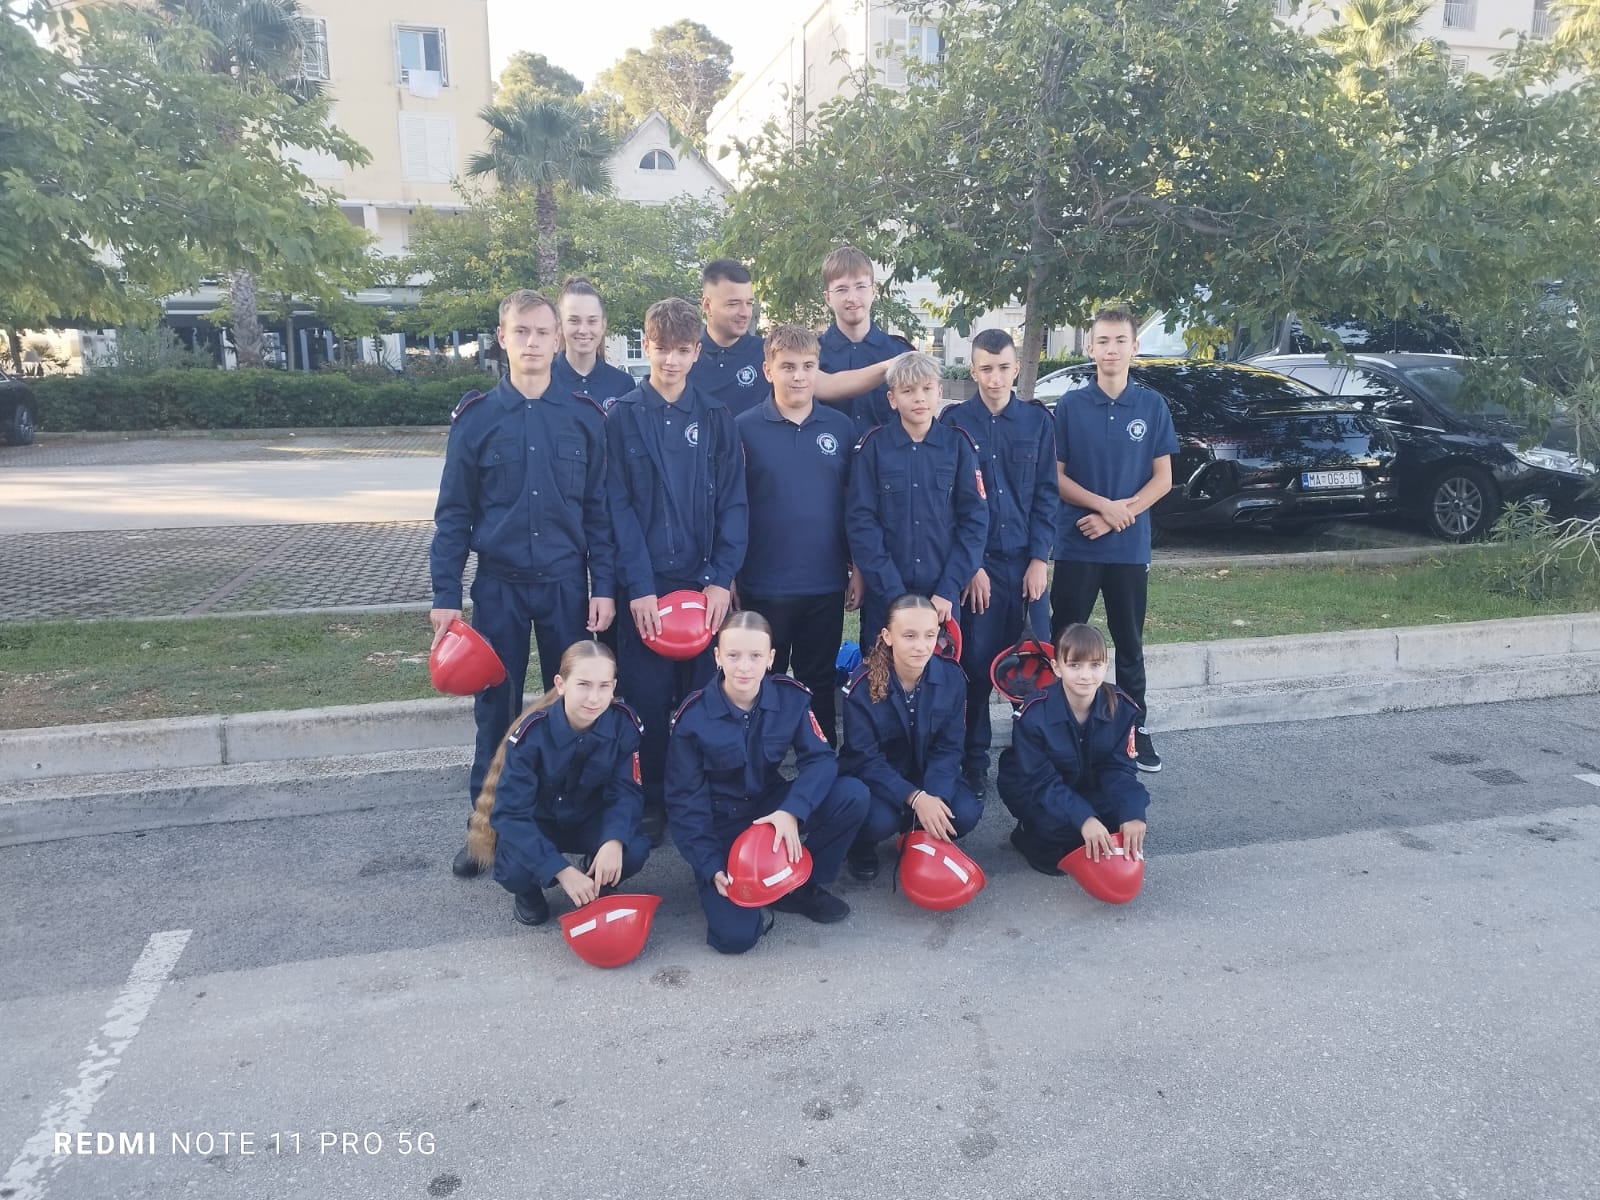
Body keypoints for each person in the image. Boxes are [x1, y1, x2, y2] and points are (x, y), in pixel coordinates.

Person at [430, 289, 616, 878]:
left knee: (576, 706)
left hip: (566, 585)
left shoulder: (585, 417)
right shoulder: (477, 419)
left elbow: (600, 513)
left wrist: (603, 586)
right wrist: (444, 595)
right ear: (502, 338)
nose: (532, 343)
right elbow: (453, 515)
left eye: (542, 332)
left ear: (558, 339)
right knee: (497, 712)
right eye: (521, 332)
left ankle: (570, 826)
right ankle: (485, 836)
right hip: (499, 588)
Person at [607, 296, 748, 844]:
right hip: (648, 591)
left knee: (705, 700)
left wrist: (720, 577)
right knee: (646, 698)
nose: (671, 360)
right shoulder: (621, 417)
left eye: (683, 350)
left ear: (696, 352)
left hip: (703, 586)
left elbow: (734, 503)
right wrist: (638, 587)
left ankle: (703, 795)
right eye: (662, 349)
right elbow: (616, 508)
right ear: (646, 346)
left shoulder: (715, 418)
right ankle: (652, 798)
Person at [666, 612, 869, 954]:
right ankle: (743, 885)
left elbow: (820, 760)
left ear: (771, 658)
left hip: (771, 808)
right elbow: (684, 803)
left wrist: (792, 810)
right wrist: (710, 864)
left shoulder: (790, 698)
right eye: (733, 655)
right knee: (735, 938)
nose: (744, 667)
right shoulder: (693, 718)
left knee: (852, 796)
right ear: (717, 656)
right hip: (722, 823)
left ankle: (800, 885)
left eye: (756, 656)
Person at [1051, 304, 1176, 773]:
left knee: (1129, 642)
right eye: (1102, 340)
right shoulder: (1070, 406)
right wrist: (1103, 506)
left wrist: (1116, 516)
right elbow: (1056, 477)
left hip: (1127, 547)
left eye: (1120, 340)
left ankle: (1134, 729)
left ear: (1134, 347)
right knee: (1065, 638)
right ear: (1090, 347)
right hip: (1077, 543)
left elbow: (1162, 479)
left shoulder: (1151, 406)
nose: (1111, 349)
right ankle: (1059, 723)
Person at [940, 329, 1057, 794]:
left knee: (1035, 668)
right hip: (980, 568)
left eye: (1004, 368)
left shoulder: (1037, 421)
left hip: (1026, 565)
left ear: (1016, 368)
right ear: (973, 370)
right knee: (975, 670)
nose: (995, 378)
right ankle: (974, 763)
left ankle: (1034, 762)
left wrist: (1040, 559)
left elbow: (1046, 495)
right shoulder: (954, 424)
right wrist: (970, 566)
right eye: (986, 369)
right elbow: (950, 502)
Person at [735, 324, 861, 744]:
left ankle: (819, 762)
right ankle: (761, 765)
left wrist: (858, 568)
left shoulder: (840, 428)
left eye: (808, 366)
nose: (799, 376)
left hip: (824, 582)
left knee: (818, 680)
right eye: (788, 366)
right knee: (761, 681)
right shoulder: (742, 429)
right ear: (768, 370)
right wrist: (729, 575)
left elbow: (855, 506)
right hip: (762, 584)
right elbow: (729, 508)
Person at [464, 641, 650, 926]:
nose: (594, 698)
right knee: (512, 869)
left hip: (588, 820)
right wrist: (560, 869)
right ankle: (529, 894)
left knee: (632, 849)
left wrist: (613, 840)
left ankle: (596, 875)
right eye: (583, 685)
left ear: (614, 687)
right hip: (540, 823)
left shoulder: (624, 725)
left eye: (604, 686)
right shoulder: (532, 734)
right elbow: (510, 815)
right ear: (561, 684)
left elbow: (626, 792)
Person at [846, 350, 988, 652]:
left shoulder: (958, 446)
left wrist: (949, 588)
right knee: (881, 675)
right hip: (886, 597)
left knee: (940, 674)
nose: (919, 398)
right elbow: (861, 523)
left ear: (939, 391)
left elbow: (975, 522)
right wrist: (895, 596)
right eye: (908, 390)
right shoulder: (873, 448)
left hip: (941, 597)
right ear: (892, 398)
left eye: (926, 388)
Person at [838, 594, 982, 882]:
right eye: (909, 636)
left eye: (930, 635)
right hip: (878, 782)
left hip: (926, 775)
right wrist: (914, 797)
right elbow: (865, 759)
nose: (921, 645)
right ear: (888, 636)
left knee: (964, 812)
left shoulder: (952, 678)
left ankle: (918, 836)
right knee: (878, 820)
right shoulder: (862, 686)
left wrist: (935, 797)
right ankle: (859, 847)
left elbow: (949, 747)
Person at [995, 623, 1149, 873]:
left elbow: (1119, 769)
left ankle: (1087, 827)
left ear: (1106, 666)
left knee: (1120, 819)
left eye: (1095, 665)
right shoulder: (1034, 713)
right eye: (1074, 665)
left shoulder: (1120, 707)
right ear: (1057, 667)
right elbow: (1041, 781)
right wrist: (1084, 818)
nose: (1085, 675)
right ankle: (1026, 833)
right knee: (1056, 835)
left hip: (1083, 782)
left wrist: (1132, 812)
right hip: (1035, 788)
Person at [690, 258, 897, 418]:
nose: (745, 313)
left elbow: (829, 385)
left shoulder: (768, 352)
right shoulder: (685, 356)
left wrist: (890, 365)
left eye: (749, 303)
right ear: (707, 305)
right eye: (733, 304)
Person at [816, 246, 915, 438]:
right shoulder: (812, 356)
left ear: (874, 290)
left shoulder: (900, 352)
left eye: (860, 286)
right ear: (827, 297)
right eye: (841, 289)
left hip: (886, 456)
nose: (852, 298)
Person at [549, 276, 637, 409]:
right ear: (560, 325)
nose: (583, 330)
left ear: (603, 325)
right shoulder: (543, 381)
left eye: (592, 321)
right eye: (574, 321)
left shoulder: (623, 384)